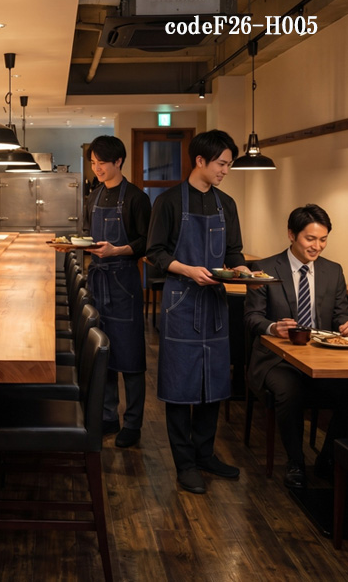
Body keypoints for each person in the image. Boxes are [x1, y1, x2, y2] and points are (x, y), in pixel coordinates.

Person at [146, 129, 247, 495]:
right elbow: (154, 253)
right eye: (222, 163)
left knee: (213, 384)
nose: (225, 170)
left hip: (216, 305)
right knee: (180, 385)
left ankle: (205, 454)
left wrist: (245, 272)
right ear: (201, 161)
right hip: (182, 302)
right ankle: (184, 463)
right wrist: (188, 270)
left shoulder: (227, 204)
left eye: (228, 164)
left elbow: (234, 253)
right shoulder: (169, 202)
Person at [244, 204, 348, 488]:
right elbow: (252, 317)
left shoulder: (333, 271)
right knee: (289, 391)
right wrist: (272, 327)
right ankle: (296, 462)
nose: (317, 246)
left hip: (321, 357)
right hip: (274, 359)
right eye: (310, 239)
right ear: (291, 235)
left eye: (323, 239)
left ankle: (328, 461)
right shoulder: (264, 268)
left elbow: (341, 315)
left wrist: (345, 324)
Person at [83, 135, 151, 448]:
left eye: (102, 162)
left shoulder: (137, 198)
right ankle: (108, 415)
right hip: (98, 282)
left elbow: (145, 243)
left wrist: (116, 250)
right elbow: (88, 236)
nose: (97, 168)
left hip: (124, 283)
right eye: (93, 162)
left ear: (118, 161)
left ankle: (134, 423)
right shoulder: (94, 196)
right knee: (104, 354)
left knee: (132, 358)